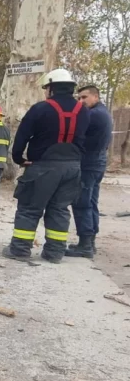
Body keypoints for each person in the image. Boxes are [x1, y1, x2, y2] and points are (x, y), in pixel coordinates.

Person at [3, 68, 89, 264]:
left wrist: (18, 158)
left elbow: (22, 136)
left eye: (46, 88)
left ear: (51, 88)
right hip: (72, 167)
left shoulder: (40, 108)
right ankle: (55, 252)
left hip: (43, 167)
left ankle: (20, 249)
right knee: (59, 209)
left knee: (30, 208)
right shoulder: (83, 110)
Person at [65, 85, 113, 259]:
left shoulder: (94, 115)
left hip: (89, 163)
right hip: (96, 163)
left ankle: (85, 244)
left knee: (82, 202)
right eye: (78, 98)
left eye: (84, 97)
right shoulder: (103, 112)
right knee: (91, 202)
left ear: (95, 96)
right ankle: (90, 243)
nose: (80, 101)